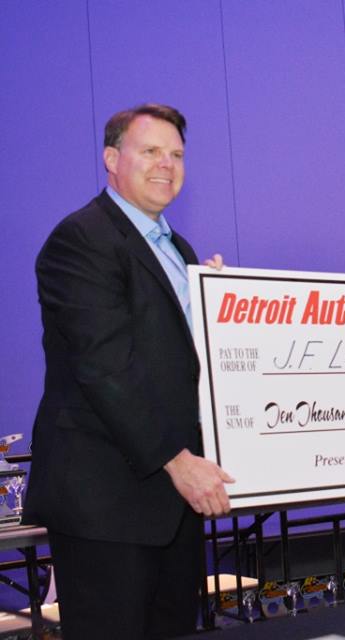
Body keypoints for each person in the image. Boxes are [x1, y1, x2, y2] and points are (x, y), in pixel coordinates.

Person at [25, 104, 234, 639]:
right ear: (112, 159)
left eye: (177, 155)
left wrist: (220, 307)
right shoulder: (82, 238)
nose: (167, 164)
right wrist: (178, 461)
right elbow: (104, 366)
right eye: (151, 151)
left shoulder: (179, 250)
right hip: (107, 503)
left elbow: (178, 361)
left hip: (174, 504)